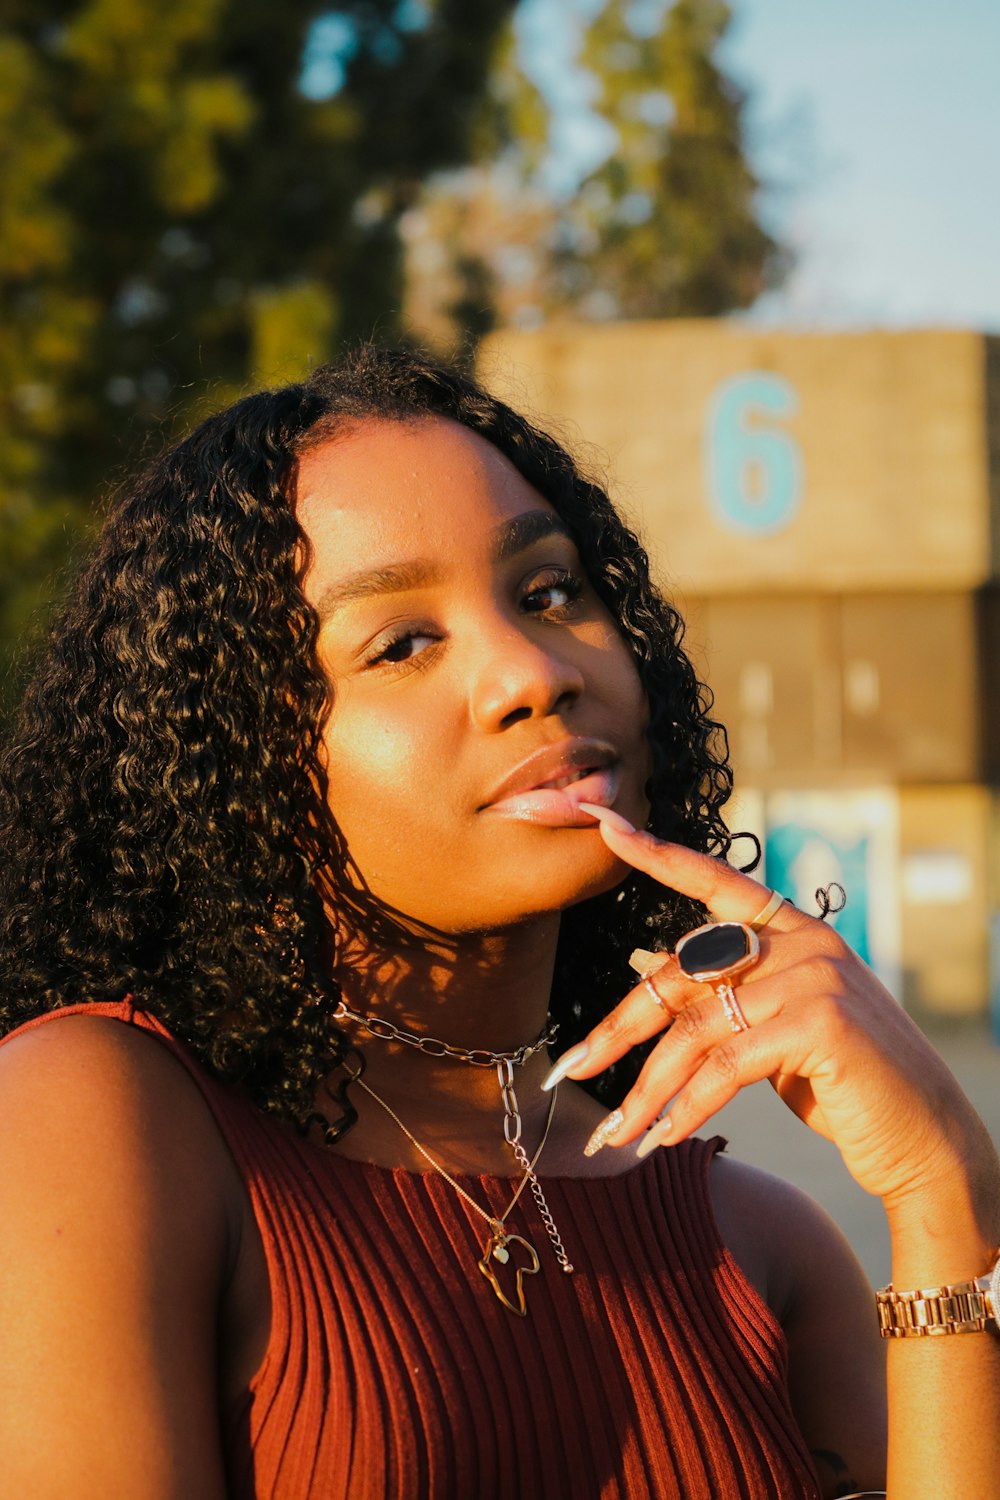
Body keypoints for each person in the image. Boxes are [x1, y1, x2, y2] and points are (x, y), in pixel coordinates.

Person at [0, 346, 996, 1500]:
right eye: (402, 643)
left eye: (548, 591)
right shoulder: (94, 1122)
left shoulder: (758, 1245)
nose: (532, 669)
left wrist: (941, 1198)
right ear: (236, 753)